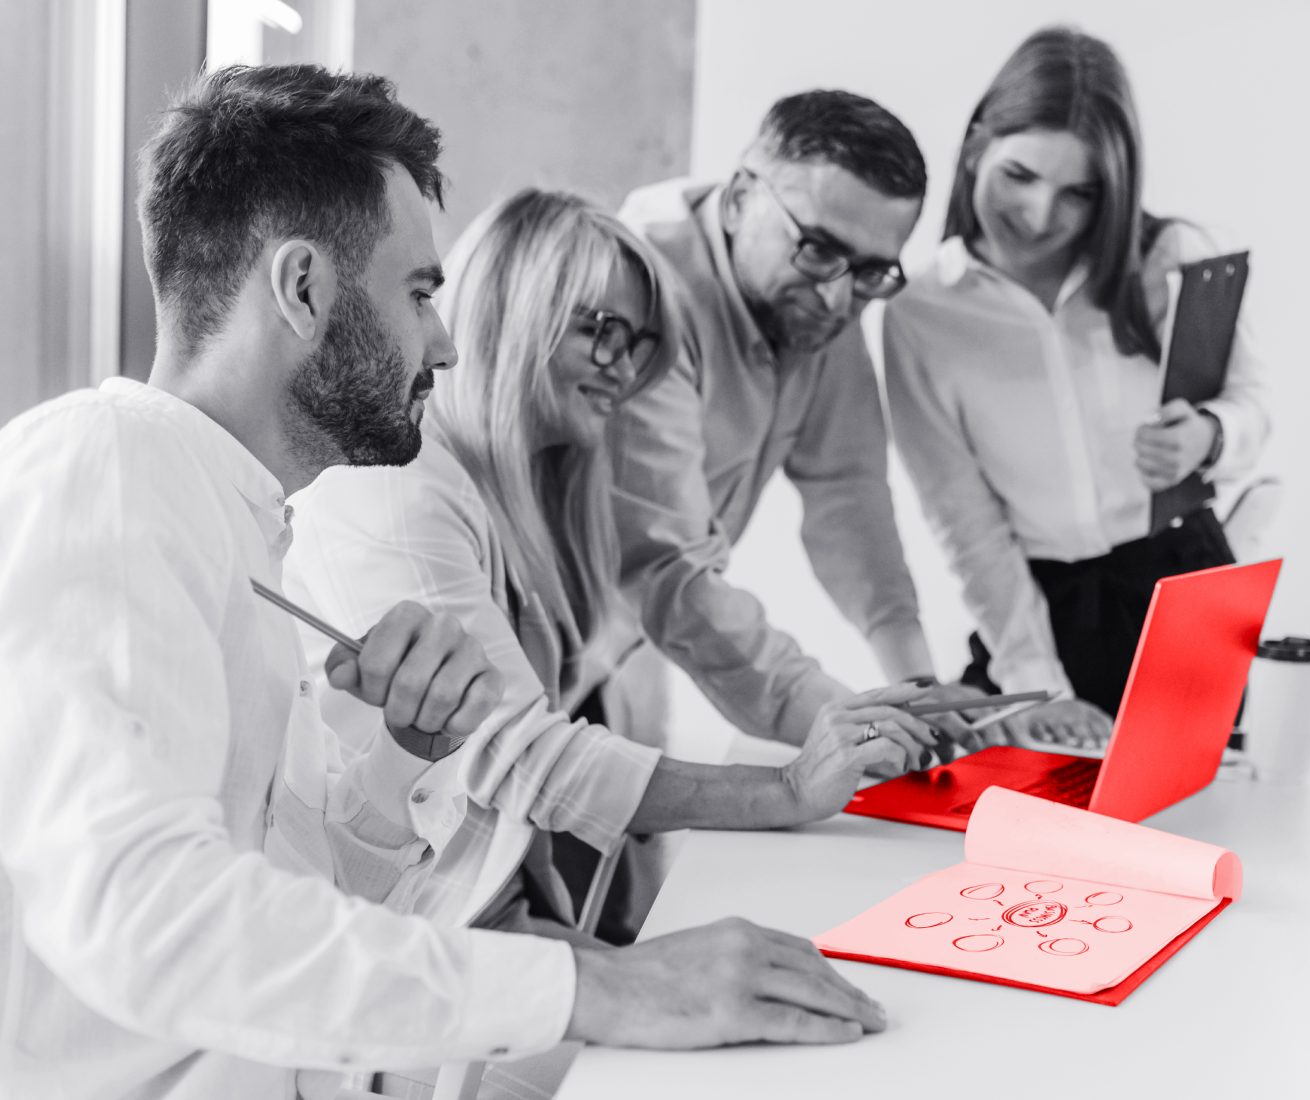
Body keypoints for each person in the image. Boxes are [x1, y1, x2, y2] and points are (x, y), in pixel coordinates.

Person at [0, 65, 888, 1100]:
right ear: (302, 288)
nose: (447, 341)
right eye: (420, 294)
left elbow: (313, 893)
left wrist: (397, 760)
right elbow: (145, 915)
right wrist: (599, 988)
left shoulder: (238, 523)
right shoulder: (105, 464)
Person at [284, 189, 945, 963]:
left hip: (451, 911)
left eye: (638, 345)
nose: (625, 371)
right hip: (373, 933)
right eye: (601, 332)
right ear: (511, 310)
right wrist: (790, 789)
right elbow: (512, 752)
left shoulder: (527, 488)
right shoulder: (400, 486)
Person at [883, 26, 1269, 747]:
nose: (1039, 216)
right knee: (1010, 803)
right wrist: (1039, 681)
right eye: (1020, 176)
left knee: (1203, 805)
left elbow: (1253, 407)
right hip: (1038, 608)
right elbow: (965, 521)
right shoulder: (921, 314)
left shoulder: (1172, 257)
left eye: (1079, 193)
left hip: (1184, 584)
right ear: (976, 146)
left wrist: (1209, 435)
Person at [609, 89, 984, 755]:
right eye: (816, 248)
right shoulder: (640, 290)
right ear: (739, 199)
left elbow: (849, 495)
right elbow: (669, 566)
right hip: (484, 634)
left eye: (871, 271)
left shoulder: (821, 301)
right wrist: (844, 723)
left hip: (608, 649)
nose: (839, 298)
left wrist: (916, 686)